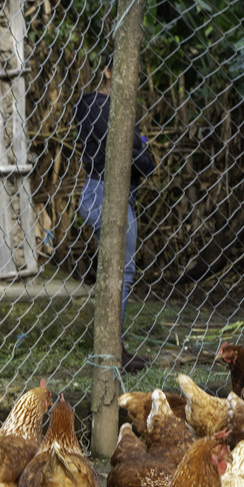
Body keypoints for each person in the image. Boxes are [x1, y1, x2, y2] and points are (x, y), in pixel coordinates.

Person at [73, 54, 155, 373]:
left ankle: (113, 346)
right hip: (102, 194)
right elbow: (130, 153)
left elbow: (142, 157)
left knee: (122, 271)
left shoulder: (118, 110)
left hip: (119, 196)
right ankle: (112, 349)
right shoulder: (95, 105)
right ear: (107, 72)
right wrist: (138, 146)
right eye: (122, 70)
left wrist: (136, 147)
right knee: (121, 271)